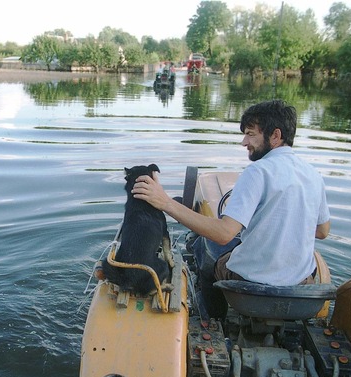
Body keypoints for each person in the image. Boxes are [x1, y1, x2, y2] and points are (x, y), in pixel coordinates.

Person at [131, 100, 330, 318]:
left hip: (251, 285)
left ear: (275, 135)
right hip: (299, 284)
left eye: (251, 134)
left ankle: (212, 320)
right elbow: (322, 231)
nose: (245, 142)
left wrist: (165, 202)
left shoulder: (258, 172)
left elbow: (224, 234)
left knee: (205, 249)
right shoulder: (313, 174)